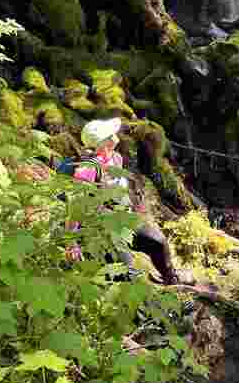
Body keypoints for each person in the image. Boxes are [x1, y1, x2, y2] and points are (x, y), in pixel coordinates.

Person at [64, 118, 179, 286]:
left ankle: (171, 280)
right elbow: (76, 206)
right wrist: (71, 242)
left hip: (124, 218)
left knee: (158, 242)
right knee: (127, 274)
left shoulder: (116, 158)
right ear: (104, 142)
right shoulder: (87, 170)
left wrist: (136, 208)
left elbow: (123, 188)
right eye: (112, 134)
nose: (116, 135)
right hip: (102, 228)